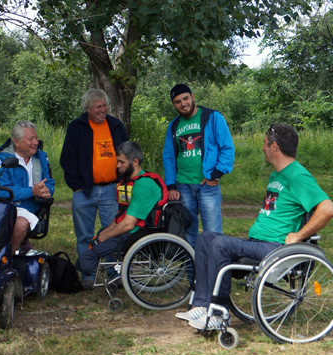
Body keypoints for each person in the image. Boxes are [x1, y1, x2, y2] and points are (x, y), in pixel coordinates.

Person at [175, 124, 333, 330]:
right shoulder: (277, 175)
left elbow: (328, 209)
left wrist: (298, 235)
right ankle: (201, 304)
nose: (262, 148)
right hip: (258, 242)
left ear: (274, 146)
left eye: (264, 143)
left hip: (275, 248)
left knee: (221, 244)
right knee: (206, 238)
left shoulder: (297, 176)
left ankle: (217, 313)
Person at [60, 89, 129, 288]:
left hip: (111, 189)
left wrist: (123, 181)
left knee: (113, 233)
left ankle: (112, 274)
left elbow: (125, 154)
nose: (103, 110)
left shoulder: (116, 125)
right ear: (88, 108)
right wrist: (76, 186)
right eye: (98, 106)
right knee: (84, 235)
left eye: (105, 105)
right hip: (85, 191)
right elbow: (68, 159)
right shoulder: (77, 127)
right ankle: (88, 275)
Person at [76, 141, 167, 277]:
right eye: (117, 161)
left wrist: (104, 237)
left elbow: (129, 224)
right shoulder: (130, 182)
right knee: (99, 235)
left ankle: (90, 273)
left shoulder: (143, 186)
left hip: (139, 233)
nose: (117, 166)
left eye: (121, 162)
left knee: (92, 252)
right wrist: (103, 234)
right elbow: (121, 216)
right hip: (131, 230)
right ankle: (97, 272)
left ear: (135, 162)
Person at [163, 84, 235, 248]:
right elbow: (168, 156)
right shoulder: (174, 126)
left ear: (193, 96)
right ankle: (192, 272)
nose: (183, 104)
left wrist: (217, 173)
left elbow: (227, 147)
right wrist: (171, 185)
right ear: (174, 104)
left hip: (207, 186)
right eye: (177, 101)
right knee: (188, 234)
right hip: (183, 187)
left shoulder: (212, 117)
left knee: (213, 234)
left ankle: (215, 272)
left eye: (185, 98)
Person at [0, 120, 55, 254]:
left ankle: (7, 258)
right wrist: (32, 191)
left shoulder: (41, 157)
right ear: (17, 142)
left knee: (20, 224)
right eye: (31, 139)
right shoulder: (1, 160)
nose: (36, 143)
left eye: (36, 138)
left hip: (30, 208)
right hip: (5, 207)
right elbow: (0, 191)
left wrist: (46, 190)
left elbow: (50, 182)